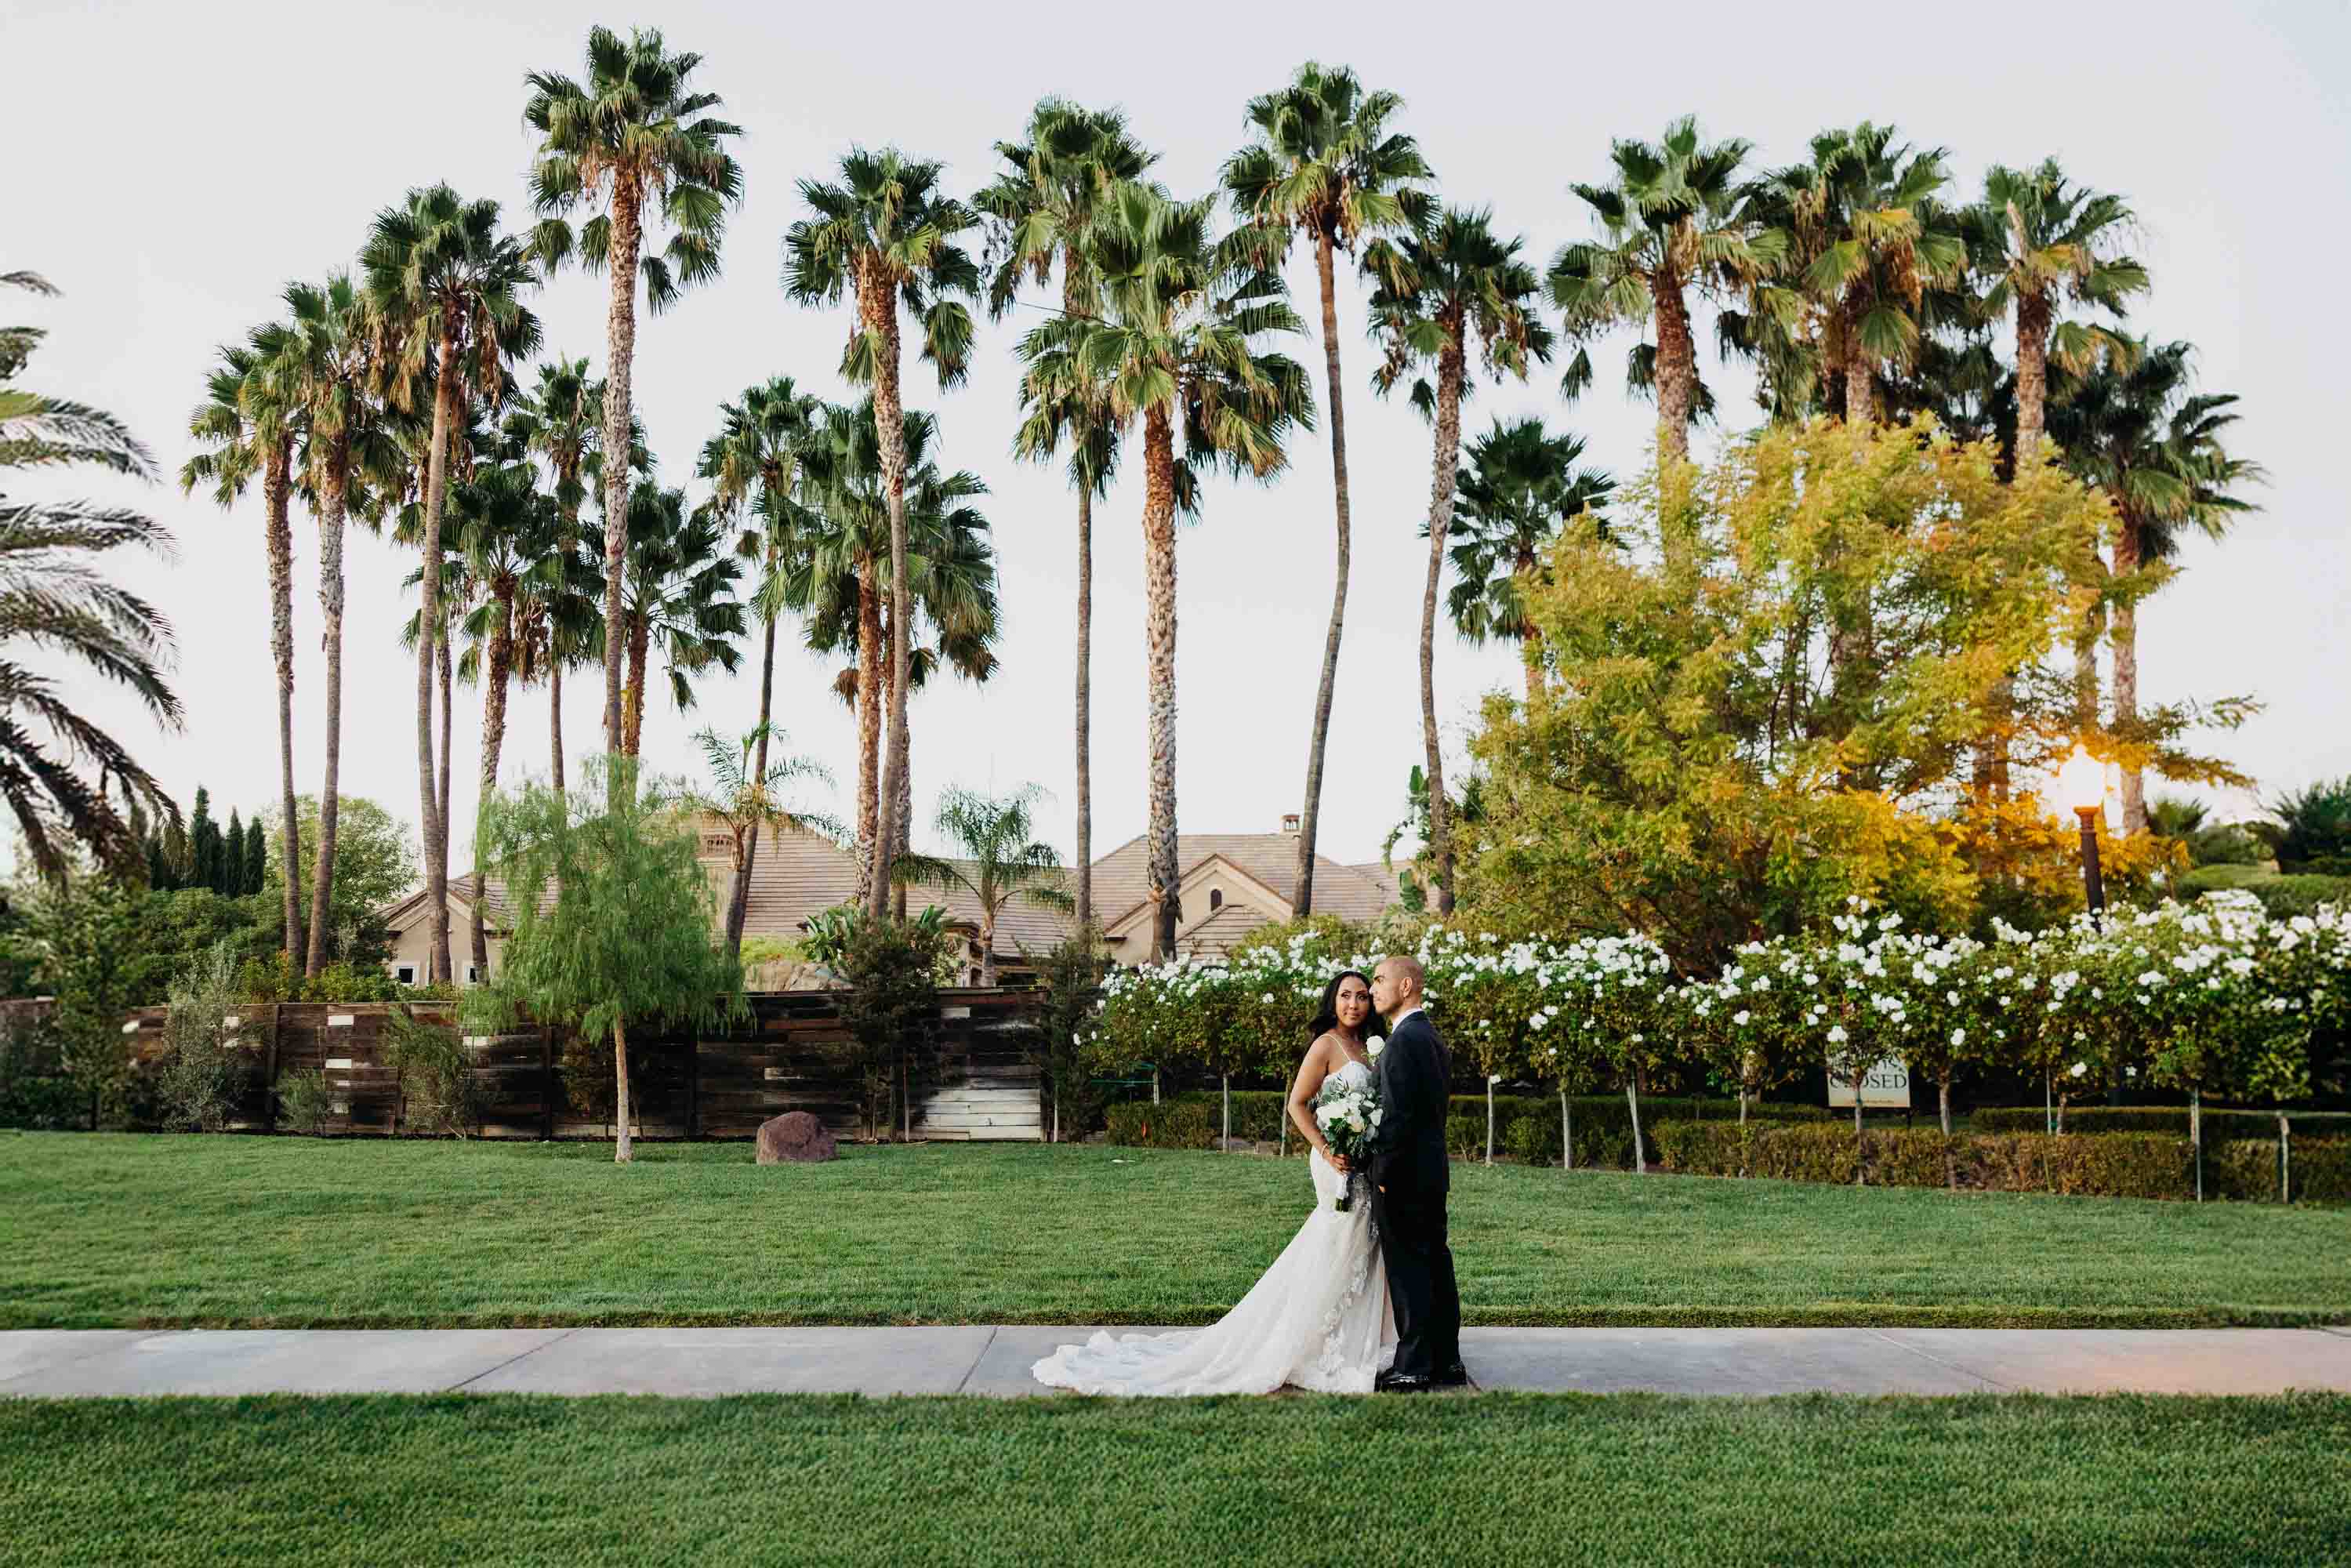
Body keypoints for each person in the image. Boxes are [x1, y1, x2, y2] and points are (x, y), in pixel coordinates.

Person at [1030, 969, 1398, 1395]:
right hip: (1334, 1163)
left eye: (1362, 997)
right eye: (1345, 996)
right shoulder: (1325, 1045)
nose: (1354, 1004)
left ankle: (1346, 1341)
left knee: (1359, 1244)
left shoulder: (1370, 1047)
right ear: (1332, 1001)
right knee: (1337, 1239)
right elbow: (1297, 1104)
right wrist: (1325, 1148)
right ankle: (1305, 1345)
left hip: (1361, 1161)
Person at [1364, 953, 1465, 1390]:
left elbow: (1398, 1117)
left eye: (1380, 980)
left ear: (1407, 987)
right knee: (1435, 1265)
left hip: (1404, 1176)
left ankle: (1414, 1365)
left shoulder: (1405, 1041)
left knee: (1409, 1272)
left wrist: (1383, 1171)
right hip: (1430, 1173)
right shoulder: (1430, 1037)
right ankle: (1446, 1360)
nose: (1373, 989)